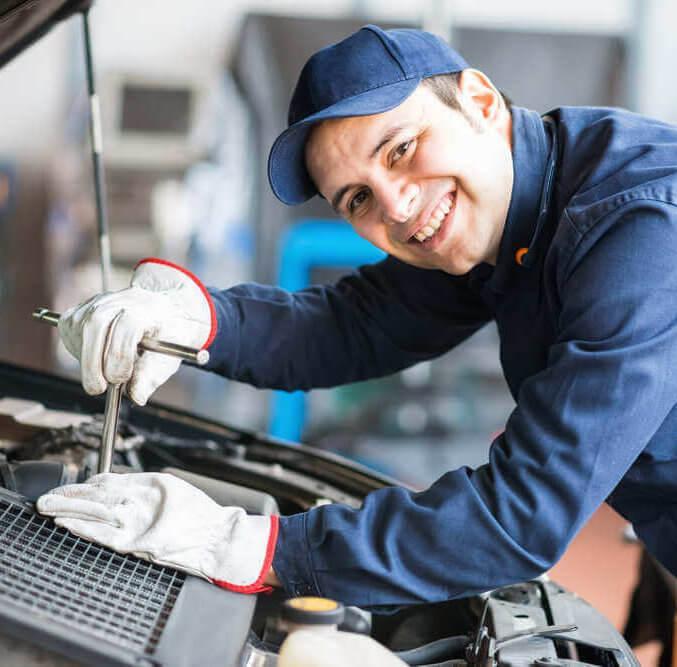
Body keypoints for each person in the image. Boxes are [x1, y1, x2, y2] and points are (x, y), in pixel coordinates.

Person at [37, 24, 677, 608]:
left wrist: (251, 546)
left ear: (481, 102)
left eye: (402, 149)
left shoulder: (638, 228)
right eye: (358, 198)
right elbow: (359, 323)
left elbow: (520, 516)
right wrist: (198, 321)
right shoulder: (503, 213)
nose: (396, 207)